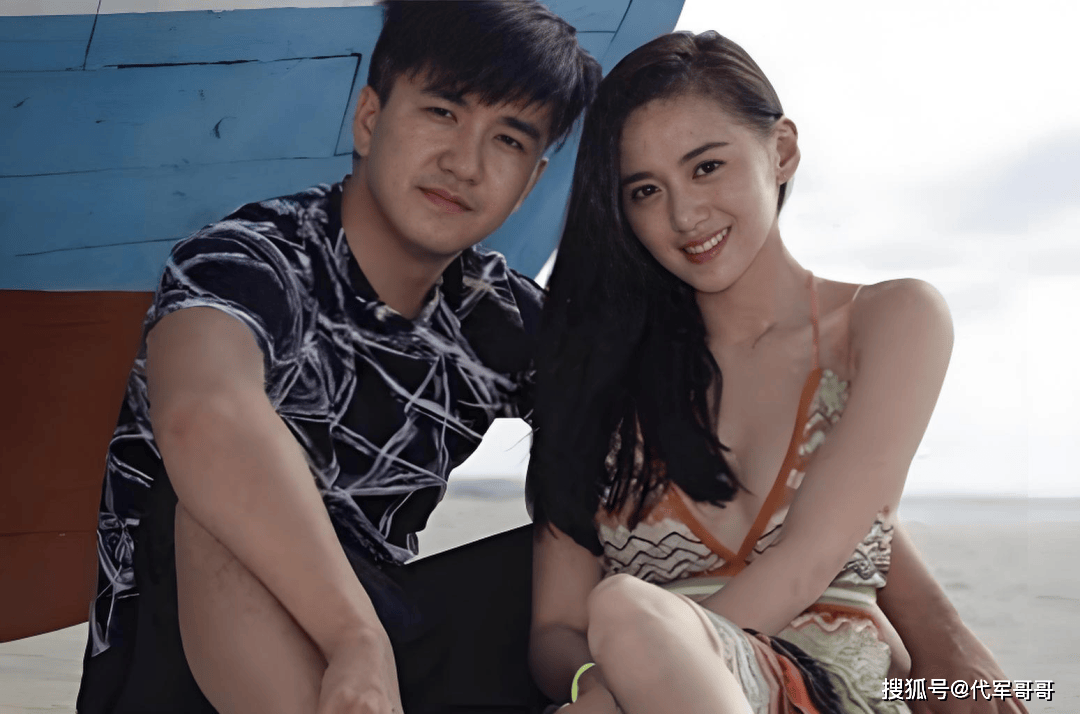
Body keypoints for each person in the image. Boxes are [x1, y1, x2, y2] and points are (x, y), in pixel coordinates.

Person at [76, 2, 601, 713]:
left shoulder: (503, 314)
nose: (465, 163)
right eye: (443, 112)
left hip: (380, 654)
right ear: (369, 118)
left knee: (613, 550)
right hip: (185, 670)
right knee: (207, 496)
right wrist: (357, 637)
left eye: (507, 140)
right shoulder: (245, 260)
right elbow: (203, 415)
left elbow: (646, 444)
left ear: (530, 183)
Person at [526, 31, 1027, 714]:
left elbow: (808, 560)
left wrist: (638, 668)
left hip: (835, 691)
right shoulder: (597, 381)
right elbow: (555, 629)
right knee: (623, 618)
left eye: (707, 167)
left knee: (624, 608)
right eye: (645, 190)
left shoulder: (890, 321)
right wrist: (599, 685)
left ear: (782, 150)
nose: (683, 215)